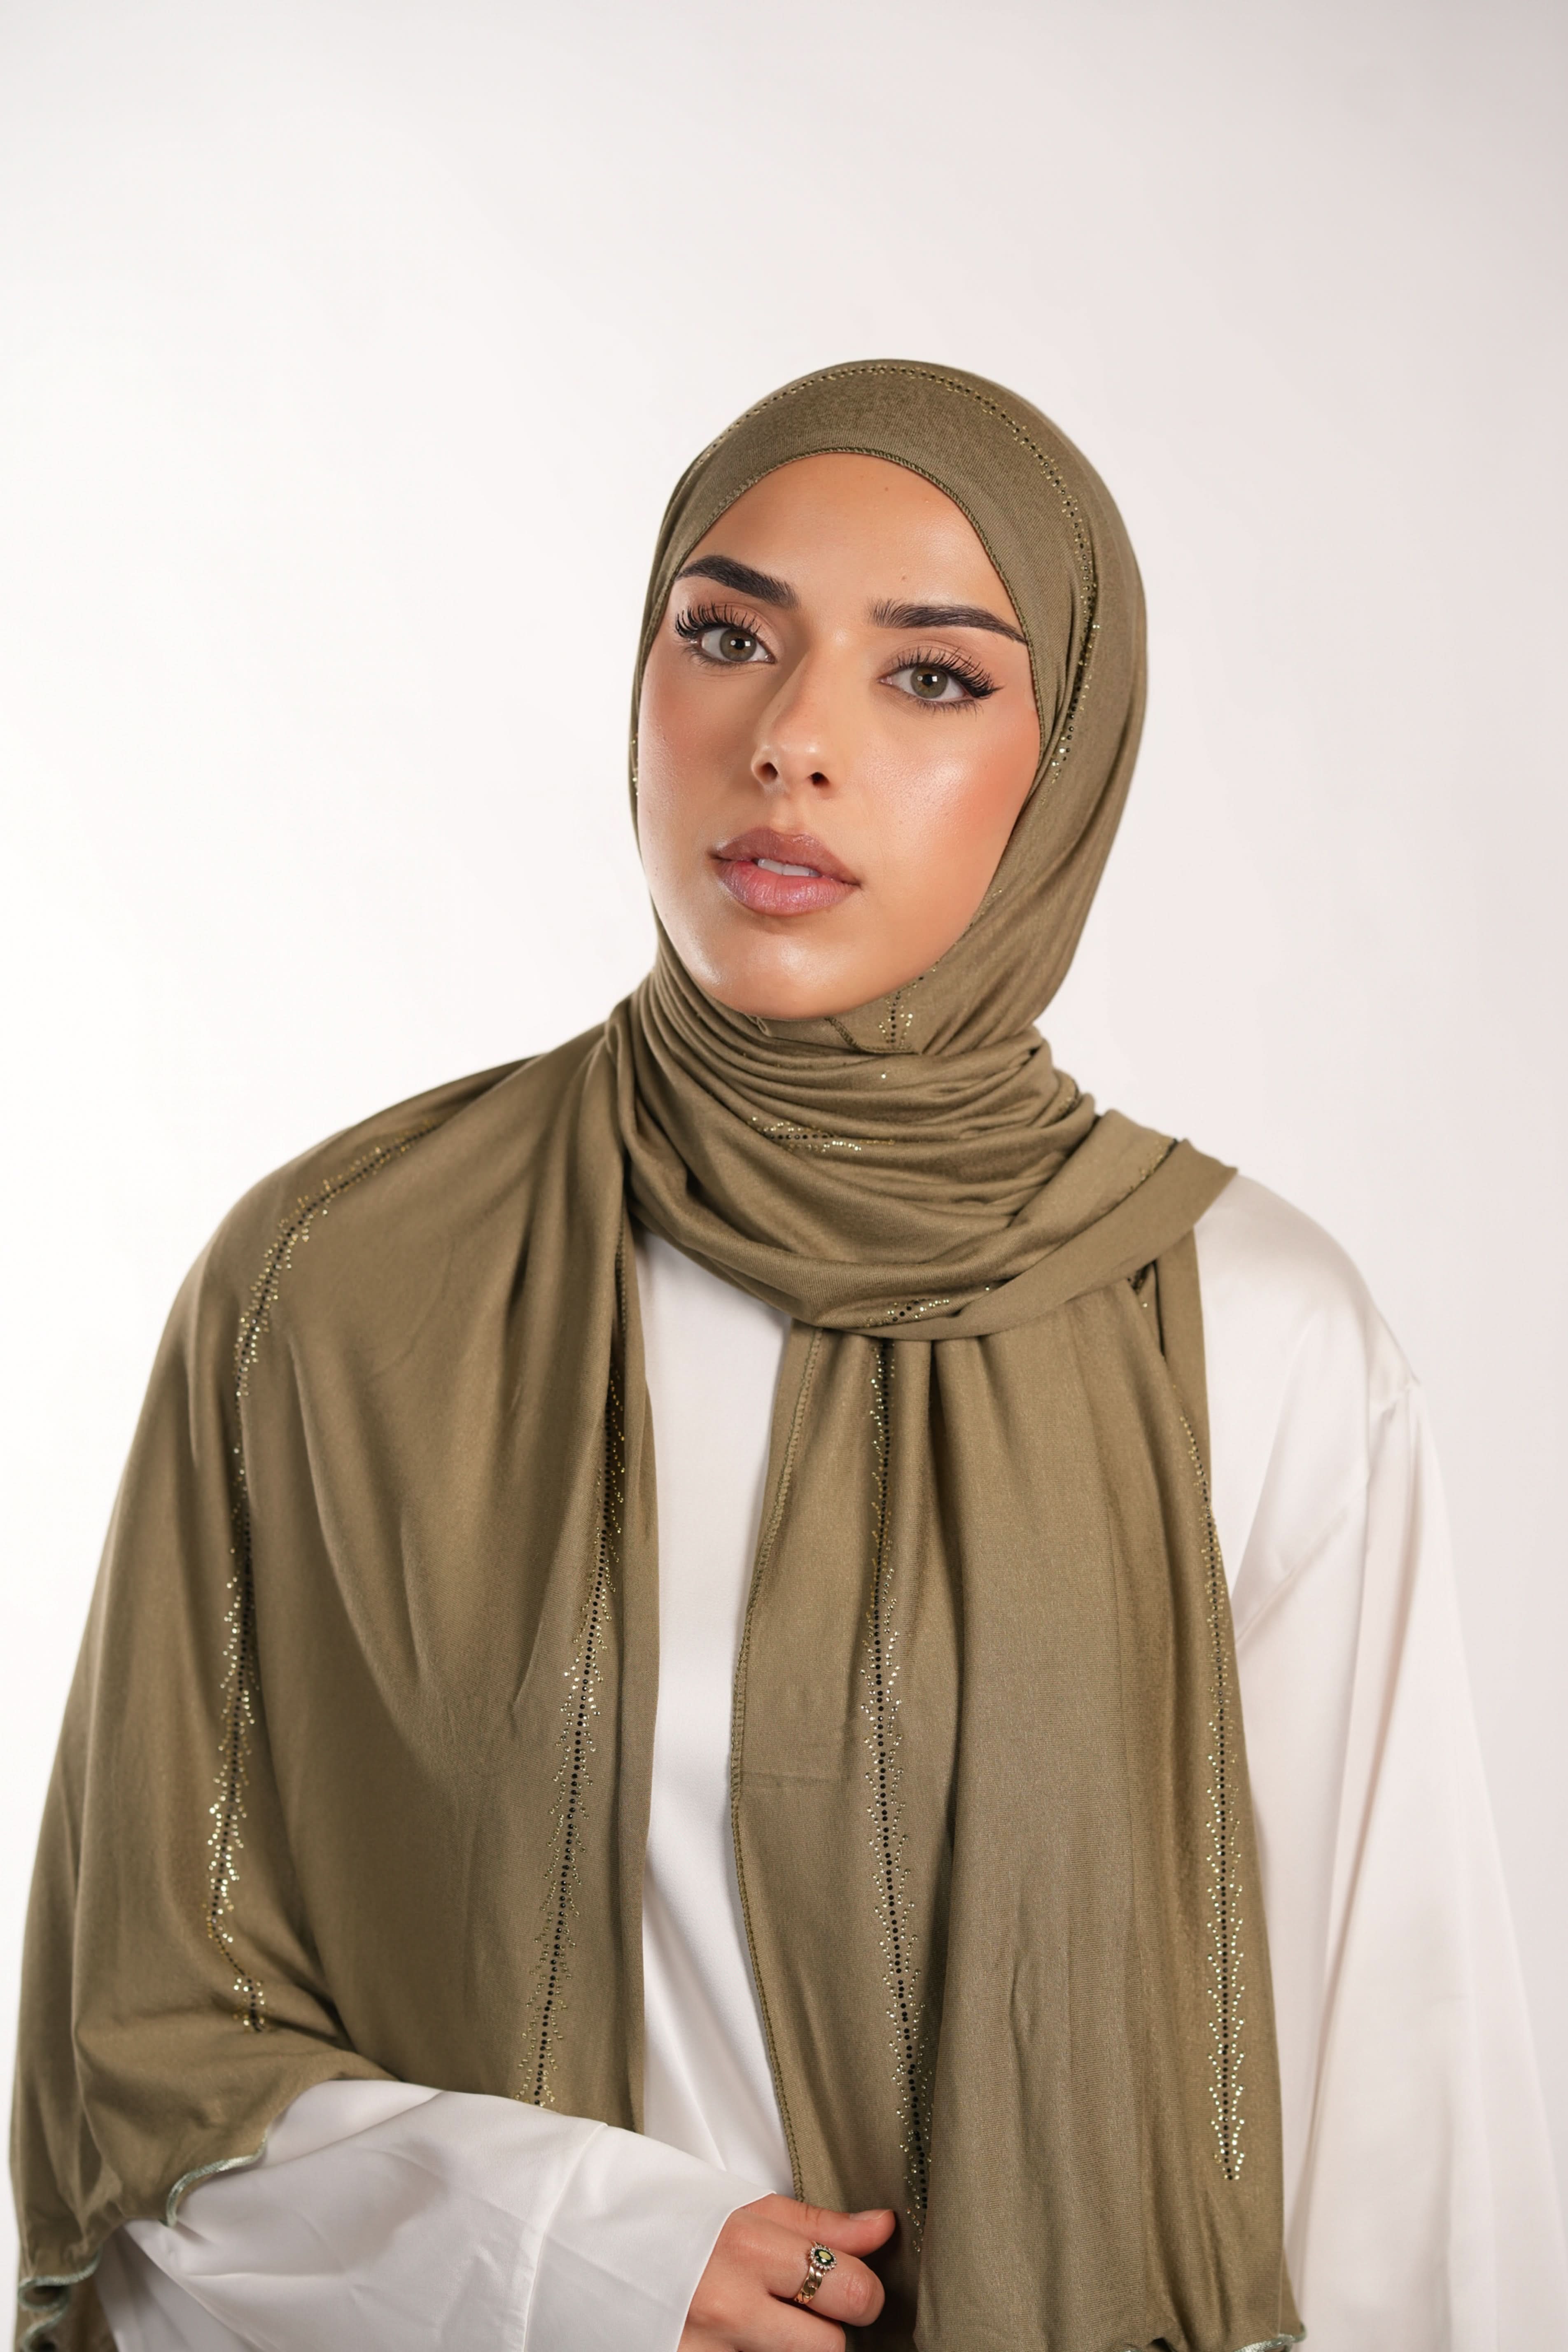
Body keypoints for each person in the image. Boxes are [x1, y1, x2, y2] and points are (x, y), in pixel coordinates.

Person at [12, 362, 1565, 2352]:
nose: (791, 744)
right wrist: (579, 2254)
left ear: (1066, 765)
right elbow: (144, 2062)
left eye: (930, 677)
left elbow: (1396, 2131)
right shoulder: (337, 1283)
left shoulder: (1245, 1332)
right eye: (729, 637)